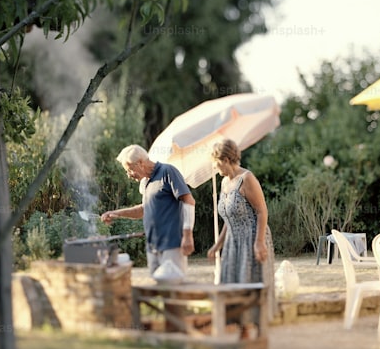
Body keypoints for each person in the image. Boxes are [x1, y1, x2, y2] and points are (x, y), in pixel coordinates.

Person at [206, 138, 274, 333]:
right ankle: (243, 330)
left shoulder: (247, 178)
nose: (215, 167)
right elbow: (229, 218)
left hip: (252, 240)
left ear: (227, 159)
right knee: (234, 287)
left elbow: (262, 211)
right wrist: (217, 245)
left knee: (251, 286)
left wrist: (259, 243)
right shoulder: (224, 183)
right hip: (232, 244)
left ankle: (259, 334)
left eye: (216, 163)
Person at [101, 144, 196, 276]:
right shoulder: (145, 182)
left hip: (172, 244)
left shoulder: (168, 172)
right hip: (152, 247)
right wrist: (116, 213)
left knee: (173, 288)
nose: (129, 176)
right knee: (157, 291)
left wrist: (187, 235)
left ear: (140, 163)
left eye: (129, 170)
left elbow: (189, 201)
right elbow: (144, 210)